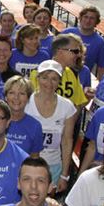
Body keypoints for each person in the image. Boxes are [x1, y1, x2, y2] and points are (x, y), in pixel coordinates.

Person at [25, 60, 77, 190]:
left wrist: (64, 175)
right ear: (37, 78)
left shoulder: (67, 107)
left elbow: (67, 141)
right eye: (45, 78)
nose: (49, 83)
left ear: (59, 81)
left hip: (53, 167)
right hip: (27, 165)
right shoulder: (26, 103)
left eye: (54, 79)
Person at [61, 6, 104, 76]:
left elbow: (101, 69)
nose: (88, 21)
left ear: (96, 22)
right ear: (80, 18)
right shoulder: (66, 33)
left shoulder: (100, 43)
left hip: (82, 78)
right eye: (85, 17)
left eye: (92, 18)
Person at [51, 34, 92, 109]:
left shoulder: (73, 74)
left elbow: (77, 106)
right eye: (75, 51)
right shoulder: (39, 73)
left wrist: (87, 97)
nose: (79, 55)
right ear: (60, 52)